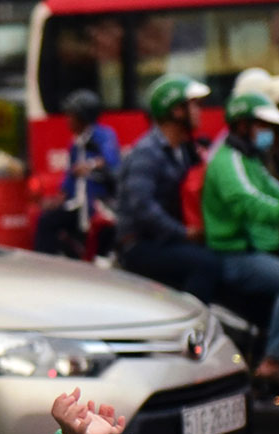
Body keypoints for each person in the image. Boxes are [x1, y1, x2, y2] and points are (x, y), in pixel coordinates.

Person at [202, 91, 279, 390]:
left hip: (257, 246)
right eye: (261, 125)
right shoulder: (229, 160)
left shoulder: (251, 159)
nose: (267, 133)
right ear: (242, 125)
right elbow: (248, 201)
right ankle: (276, 360)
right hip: (233, 254)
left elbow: (277, 190)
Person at [115, 73, 222, 303]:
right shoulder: (148, 152)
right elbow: (142, 206)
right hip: (141, 244)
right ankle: (190, 329)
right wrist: (183, 233)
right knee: (205, 264)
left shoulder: (184, 149)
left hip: (165, 238)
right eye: (193, 106)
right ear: (176, 111)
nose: (199, 112)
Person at [33, 89, 121, 259]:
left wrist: (90, 165)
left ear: (83, 117)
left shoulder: (103, 135)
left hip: (97, 204)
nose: (68, 120)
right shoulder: (75, 143)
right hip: (77, 205)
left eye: (71, 115)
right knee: (46, 220)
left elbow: (110, 161)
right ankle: (44, 266)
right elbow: (69, 178)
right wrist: (57, 199)